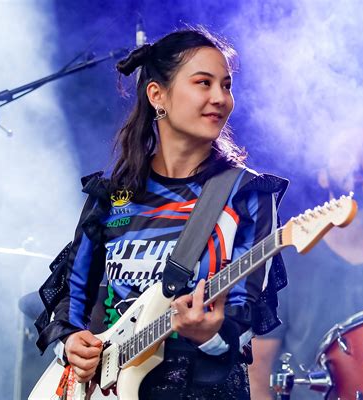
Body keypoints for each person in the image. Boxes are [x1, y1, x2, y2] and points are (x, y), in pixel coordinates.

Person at [34, 29, 289, 399]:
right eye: (204, 83)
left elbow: (243, 317)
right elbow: (73, 294)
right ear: (158, 95)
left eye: (226, 86)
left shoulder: (245, 194)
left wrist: (210, 335)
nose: (220, 98)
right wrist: (72, 342)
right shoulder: (112, 194)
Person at [248, 143, 363, 399]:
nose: (358, 162)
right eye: (344, 152)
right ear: (323, 175)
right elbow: (257, 369)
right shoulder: (287, 260)